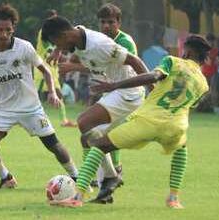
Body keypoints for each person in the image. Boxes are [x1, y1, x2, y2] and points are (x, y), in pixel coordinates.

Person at [52, 35, 210, 209]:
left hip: (148, 121)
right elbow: (188, 106)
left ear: (187, 51)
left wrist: (115, 85)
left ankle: (78, 196)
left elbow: (153, 76)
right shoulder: (204, 84)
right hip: (176, 126)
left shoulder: (173, 62)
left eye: (183, 50)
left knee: (98, 145)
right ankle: (173, 199)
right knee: (181, 149)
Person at [42, 14, 148, 202]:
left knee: (84, 122)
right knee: (88, 140)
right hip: (113, 92)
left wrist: (154, 92)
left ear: (64, 35)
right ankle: (105, 191)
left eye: (56, 42)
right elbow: (77, 52)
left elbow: (135, 61)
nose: (61, 49)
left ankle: (110, 177)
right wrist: (58, 49)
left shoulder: (100, 44)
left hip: (128, 92)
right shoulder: (76, 35)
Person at [0, 4, 78, 189]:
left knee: (54, 145)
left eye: (8, 30)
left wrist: (52, 92)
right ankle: (6, 178)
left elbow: (46, 71)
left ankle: (77, 177)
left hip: (31, 108)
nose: (3, 34)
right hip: (3, 109)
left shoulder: (24, 47)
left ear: (14, 29)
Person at [34, 9, 76, 127]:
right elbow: (50, 50)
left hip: (52, 68)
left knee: (58, 93)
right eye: (53, 19)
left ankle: (64, 120)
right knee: (34, 94)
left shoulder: (57, 33)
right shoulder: (44, 32)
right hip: (41, 67)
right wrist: (67, 60)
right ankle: (25, 117)